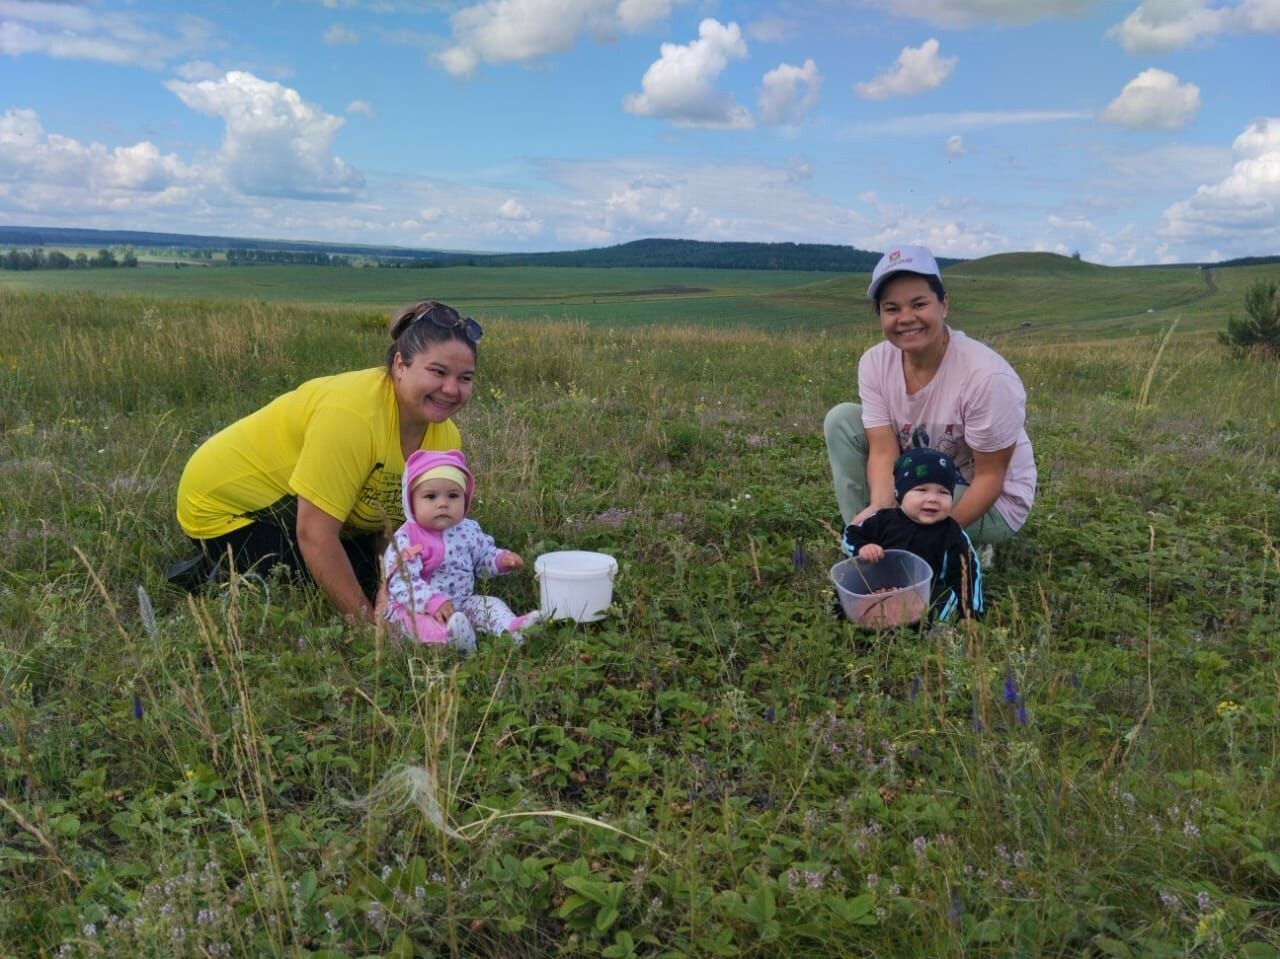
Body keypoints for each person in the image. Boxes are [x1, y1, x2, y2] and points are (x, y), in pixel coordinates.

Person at [170, 300, 482, 622]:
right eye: (438, 372)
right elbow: (315, 536)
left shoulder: (446, 440)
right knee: (325, 582)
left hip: (300, 510)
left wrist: (389, 586)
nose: (451, 389)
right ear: (400, 365)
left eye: (465, 378)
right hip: (224, 506)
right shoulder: (352, 417)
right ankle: (217, 570)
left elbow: (403, 530)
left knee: (385, 576)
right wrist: (370, 627)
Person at [824, 244, 1036, 549]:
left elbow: (990, 478)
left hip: (990, 499)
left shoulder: (986, 377)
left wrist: (936, 538)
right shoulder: (874, 362)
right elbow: (883, 449)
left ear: (944, 305)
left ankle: (956, 542)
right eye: (892, 308)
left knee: (925, 520)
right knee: (841, 419)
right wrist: (883, 511)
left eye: (919, 304)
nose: (906, 318)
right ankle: (867, 538)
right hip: (920, 476)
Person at [383, 449, 541, 651]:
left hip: (462, 602)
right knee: (421, 626)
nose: (443, 503)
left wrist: (500, 560)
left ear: (465, 499)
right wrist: (432, 601)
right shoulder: (407, 538)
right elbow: (401, 581)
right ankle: (452, 643)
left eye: (453, 495)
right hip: (419, 607)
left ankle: (511, 630)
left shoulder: (468, 529)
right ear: (410, 501)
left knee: (489, 604)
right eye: (430, 496)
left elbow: (482, 558)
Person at [842, 447, 983, 623]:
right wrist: (862, 548)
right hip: (880, 587)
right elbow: (851, 533)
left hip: (922, 595)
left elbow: (968, 573)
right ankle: (868, 624)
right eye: (921, 490)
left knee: (944, 598)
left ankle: (928, 630)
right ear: (900, 493)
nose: (933, 498)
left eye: (943, 492)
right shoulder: (882, 520)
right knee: (840, 597)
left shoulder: (952, 534)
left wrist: (970, 612)